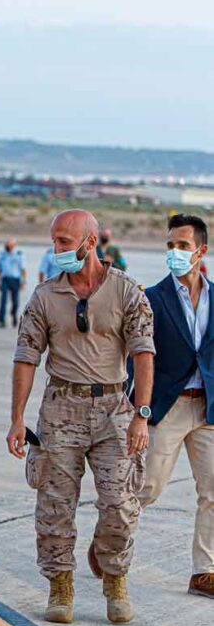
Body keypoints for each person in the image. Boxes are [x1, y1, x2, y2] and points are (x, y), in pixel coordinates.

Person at [7, 209, 154, 625]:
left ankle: (114, 577)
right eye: (53, 241)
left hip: (114, 411)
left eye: (64, 242)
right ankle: (60, 585)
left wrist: (142, 414)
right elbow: (25, 358)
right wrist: (17, 419)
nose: (56, 250)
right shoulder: (44, 297)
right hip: (60, 409)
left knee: (120, 504)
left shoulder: (127, 292)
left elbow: (144, 354)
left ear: (90, 244)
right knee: (54, 505)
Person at [125, 214, 214, 599]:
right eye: (170, 246)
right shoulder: (153, 298)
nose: (175, 253)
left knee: (213, 492)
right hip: (168, 406)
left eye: (182, 245)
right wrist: (139, 410)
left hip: (208, 410)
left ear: (201, 250)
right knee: (148, 488)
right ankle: (110, 544)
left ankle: (203, 571)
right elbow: (137, 358)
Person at [0, 238, 27, 328]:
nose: (6, 246)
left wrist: (23, 281)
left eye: (8, 245)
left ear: (13, 245)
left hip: (15, 279)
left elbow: (23, 269)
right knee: (3, 300)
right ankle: (2, 320)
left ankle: (13, 315)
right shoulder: (2, 255)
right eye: (6, 244)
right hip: (5, 279)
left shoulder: (19, 254)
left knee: (15, 301)